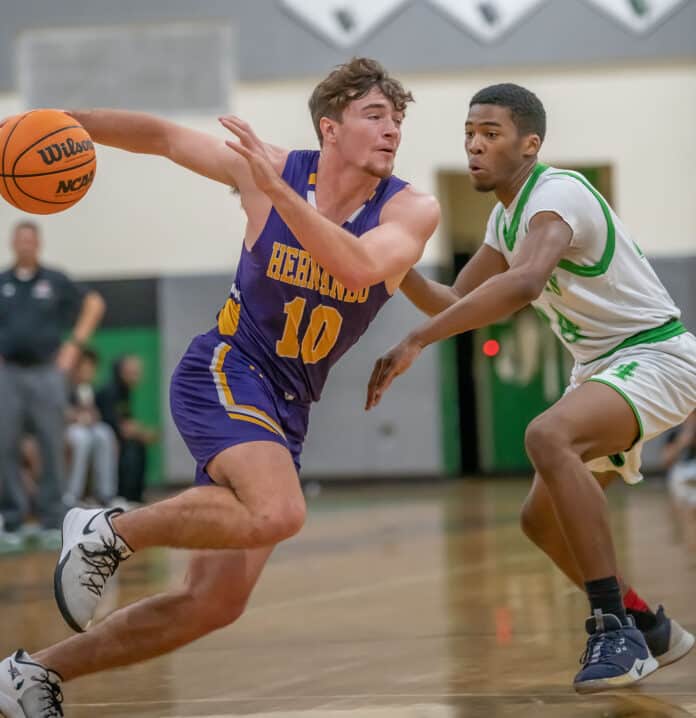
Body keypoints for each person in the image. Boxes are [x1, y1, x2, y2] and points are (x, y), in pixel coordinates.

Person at [0, 57, 439, 716]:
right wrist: (60, 125)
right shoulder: (271, 169)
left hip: (287, 407)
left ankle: (32, 675)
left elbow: (359, 271)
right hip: (227, 370)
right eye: (375, 115)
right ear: (331, 126)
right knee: (281, 513)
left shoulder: (409, 207)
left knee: (213, 604)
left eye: (398, 119)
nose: (392, 131)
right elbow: (161, 137)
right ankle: (103, 530)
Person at [365, 84, 696, 694]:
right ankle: (648, 626)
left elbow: (523, 285)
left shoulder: (558, 194)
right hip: (601, 369)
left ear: (530, 143)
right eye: (469, 133)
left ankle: (612, 632)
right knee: (539, 521)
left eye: (490, 133)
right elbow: (454, 301)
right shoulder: (503, 218)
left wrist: (417, 340)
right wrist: (388, 260)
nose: (474, 145)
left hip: (655, 355)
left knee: (547, 435)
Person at [0, 221, 105, 541]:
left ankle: (52, 517)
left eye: (31, 239)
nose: (25, 245)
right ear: (12, 244)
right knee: (5, 444)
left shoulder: (54, 280)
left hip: (48, 372)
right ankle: (12, 518)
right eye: (20, 239)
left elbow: (94, 303)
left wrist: (74, 345)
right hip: (9, 373)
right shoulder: (2, 282)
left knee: (51, 442)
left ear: (38, 243)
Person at [96, 355, 157, 505]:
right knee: (130, 450)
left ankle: (136, 495)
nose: (137, 376)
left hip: (117, 436)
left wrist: (139, 431)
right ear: (121, 372)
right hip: (107, 437)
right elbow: (114, 424)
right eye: (133, 372)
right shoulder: (110, 391)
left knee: (139, 446)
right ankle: (123, 495)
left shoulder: (125, 392)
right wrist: (140, 432)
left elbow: (127, 420)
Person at [63, 349, 118, 508]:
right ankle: (72, 495)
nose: (88, 373)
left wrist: (92, 416)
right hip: (69, 429)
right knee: (82, 439)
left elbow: (94, 413)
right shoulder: (63, 385)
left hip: (88, 427)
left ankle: (106, 494)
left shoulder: (88, 388)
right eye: (84, 368)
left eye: (91, 369)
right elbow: (60, 411)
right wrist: (76, 416)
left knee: (105, 433)